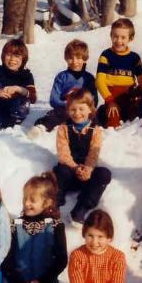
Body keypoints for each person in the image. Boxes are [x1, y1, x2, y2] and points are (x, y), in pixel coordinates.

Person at [53, 89, 112, 226]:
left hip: (87, 174)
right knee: (59, 171)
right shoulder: (63, 128)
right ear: (68, 110)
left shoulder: (96, 130)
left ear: (90, 109)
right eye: (73, 109)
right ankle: (55, 204)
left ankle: (81, 209)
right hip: (70, 172)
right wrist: (75, 167)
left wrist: (88, 169)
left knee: (104, 174)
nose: (77, 113)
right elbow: (63, 153)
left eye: (81, 109)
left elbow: (93, 153)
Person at [32, 39, 98, 134]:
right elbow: (54, 99)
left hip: (83, 110)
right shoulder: (61, 76)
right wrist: (67, 105)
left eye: (78, 58)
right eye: (71, 58)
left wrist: (85, 108)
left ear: (85, 59)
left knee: (95, 117)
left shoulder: (89, 78)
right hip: (65, 109)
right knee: (56, 115)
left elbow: (93, 100)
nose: (74, 61)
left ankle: (86, 129)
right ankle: (41, 128)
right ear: (66, 58)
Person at [95, 18, 142, 128]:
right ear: (111, 36)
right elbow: (99, 81)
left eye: (123, 37)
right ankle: (103, 113)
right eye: (115, 36)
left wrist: (140, 94)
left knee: (140, 119)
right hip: (112, 97)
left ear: (130, 38)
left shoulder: (134, 58)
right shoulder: (106, 55)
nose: (118, 41)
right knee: (113, 122)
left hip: (129, 96)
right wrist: (109, 100)